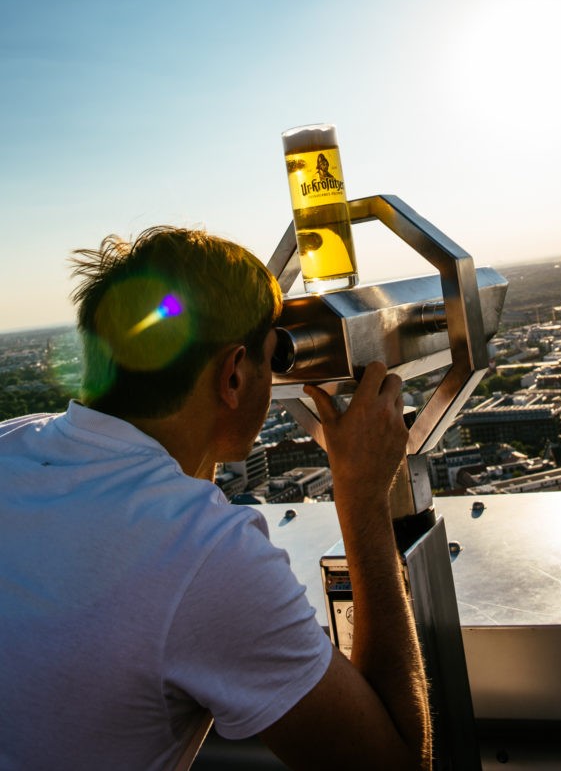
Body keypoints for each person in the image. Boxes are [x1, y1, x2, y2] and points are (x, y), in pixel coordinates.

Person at [0, 226, 431, 771]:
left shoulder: (11, 442)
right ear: (233, 375)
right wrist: (365, 498)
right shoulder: (202, 553)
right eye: (271, 358)